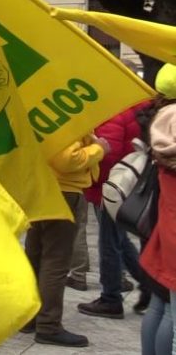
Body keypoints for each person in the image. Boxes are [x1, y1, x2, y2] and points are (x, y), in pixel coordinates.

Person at [22, 134, 108, 347]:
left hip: (41, 186)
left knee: (36, 256)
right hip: (64, 191)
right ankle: (48, 325)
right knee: (55, 261)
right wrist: (99, 148)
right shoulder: (70, 122)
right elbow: (67, 159)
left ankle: (30, 316)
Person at [76, 101, 150, 318]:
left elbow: (108, 156)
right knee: (120, 240)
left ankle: (111, 299)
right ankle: (149, 286)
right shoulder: (139, 106)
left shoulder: (112, 112)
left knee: (109, 243)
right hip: (128, 185)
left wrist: (90, 158)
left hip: (111, 187)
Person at [142, 63, 176, 354]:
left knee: (159, 301)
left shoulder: (156, 117)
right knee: (169, 311)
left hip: (161, 220)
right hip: (168, 224)